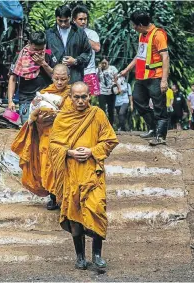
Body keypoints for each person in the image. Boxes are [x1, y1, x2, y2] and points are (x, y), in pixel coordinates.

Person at [49, 81, 119, 270]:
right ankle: (80, 256)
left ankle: (97, 254)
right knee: (74, 215)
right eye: (76, 97)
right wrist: (70, 152)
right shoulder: (63, 117)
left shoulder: (97, 114)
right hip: (71, 172)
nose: (80, 101)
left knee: (97, 208)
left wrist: (91, 151)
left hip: (92, 172)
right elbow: (53, 145)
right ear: (70, 97)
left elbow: (110, 140)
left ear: (90, 96)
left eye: (84, 97)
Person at [11, 64, 71, 210]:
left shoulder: (72, 94)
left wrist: (59, 116)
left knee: (63, 167)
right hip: (45, 136)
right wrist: (37, 115)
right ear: (52, 77)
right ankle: (53, 197)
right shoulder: (44, 93)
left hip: (64, 138)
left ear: (68, 79)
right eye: (57, 78)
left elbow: (75, 115)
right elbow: (34, 112)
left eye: (63, 79)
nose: (60, 82)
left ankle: (65, 198)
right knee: (46, 165)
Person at [119, 10, 169, 146]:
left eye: (134, 25)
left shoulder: (158, 35)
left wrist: (164, 80)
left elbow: (165, 57)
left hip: (156, 76)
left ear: (140, 24)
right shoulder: (142, 35)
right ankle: (153, 128)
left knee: (159, 107)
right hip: (142, 77)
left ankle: (160, 135)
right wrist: (126, 70)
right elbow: (139, 55)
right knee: (138, 99)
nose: (133, 27)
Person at [7, 31, 53, 124]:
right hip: (26, 98)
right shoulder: (20, 56)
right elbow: (13, 78)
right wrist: (10, 101)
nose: (37, 52)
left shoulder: (48, 54)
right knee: (27, 125)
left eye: (40, 49)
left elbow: (56, 77)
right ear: (30, 43)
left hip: (45, 97)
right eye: (35, 49)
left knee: (45, 126)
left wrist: (43, 64)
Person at [45, 5, 91, 84]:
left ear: (70, 18)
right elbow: (46, 51)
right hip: (55, 78)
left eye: (66, 21)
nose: (63, 24)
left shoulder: (79, 32)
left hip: (75, 76)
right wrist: (53, 57)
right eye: (60, 21)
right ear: (56, 18)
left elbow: (87, 52)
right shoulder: (49, 33)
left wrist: (75, 61)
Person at [72, 5, 101, 97]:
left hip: (89, 73)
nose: (83, 22)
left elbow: (97, 48)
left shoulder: (92, 33)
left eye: (85, 19)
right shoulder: (69, 33)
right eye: (80, 19)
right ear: (74, 20)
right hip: (73, 73)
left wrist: (83, 36)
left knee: (92, 102)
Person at [98, 57, 118, 126]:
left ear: (108, 62)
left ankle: (111, 126)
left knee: (111, 109)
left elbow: (116, 79)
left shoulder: (113, 68)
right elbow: (97, 79)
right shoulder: (98, 70)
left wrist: (117, 87)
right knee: (102, 109)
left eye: (105, 63)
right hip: (102, 91)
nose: (104, 64)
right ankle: (102, 125)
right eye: (102, 63)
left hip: (111, 91)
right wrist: (99, 70)